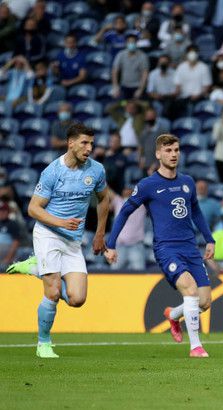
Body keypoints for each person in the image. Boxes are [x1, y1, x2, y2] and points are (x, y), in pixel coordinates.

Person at [104, 134, 216, 358]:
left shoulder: (187, 182)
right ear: (158, 154)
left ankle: (173, 315)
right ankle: (196, 347)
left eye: (176, 150)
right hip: (167, 249)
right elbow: (125, 211)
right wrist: (111, 243)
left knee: (204, 302)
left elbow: (195, 211)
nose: (173, 154)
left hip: (190, 248)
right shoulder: (148, 185)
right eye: (168, 150)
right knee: (190, 290)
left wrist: (209, 239)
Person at [6, 123, 110, 359]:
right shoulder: (52, 171)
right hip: (48, 234)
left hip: (73, 241)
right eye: (84, 143)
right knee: (52, 292)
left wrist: (99, 233)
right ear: (71, 143)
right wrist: (61, 222)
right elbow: (33, 208)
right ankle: (43, 343)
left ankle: (36, 268)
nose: (89, 148)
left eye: (91, 144)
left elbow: (104, 199)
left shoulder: (96, 170)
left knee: (77, 299)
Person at [108, 186, 146, 270]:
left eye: (130, 188)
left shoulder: (142, 204)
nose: (127, 190)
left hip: (136, 245)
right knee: (113, 274)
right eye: (125, 188)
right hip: (120, 246)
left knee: (140, 275)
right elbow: (106, 190)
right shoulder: (118, 201)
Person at [173, 45, 212, 117]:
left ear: (197, 54)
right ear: (186, 54)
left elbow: (207, 86)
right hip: (184, 97)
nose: (192, 54)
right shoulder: (181, 67)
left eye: (194, 52)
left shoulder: (204, 67)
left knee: (191, 106)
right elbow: (178, 85)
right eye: (190, 52)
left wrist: (199, 95)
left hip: (199, 97)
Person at [111, 34, 149, 100]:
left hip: (137, 86)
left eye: (133, 42)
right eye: (129, 42)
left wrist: (140, 89)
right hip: (124, 86)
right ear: (126, 43)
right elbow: (115, 71)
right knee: (122, 104)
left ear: (136, 43)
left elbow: (145, 73)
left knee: (137, 104)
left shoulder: (143, 56)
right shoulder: (121, 54)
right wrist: (115, 87)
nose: (131, 44)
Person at [139, 108, 168, 175]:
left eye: (151, 116)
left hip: (158, 166)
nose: (149, 118)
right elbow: (141, 146)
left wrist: (156, 164)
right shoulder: (143, 131)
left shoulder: (162, 131)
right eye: (148, 116)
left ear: (155, 117)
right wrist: (141, 159)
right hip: (146, 165)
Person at [146, 54, 176, 119]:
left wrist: (167, 96)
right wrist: (156, 96)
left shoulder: (175, 73)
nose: (163, 64)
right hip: (157, 98)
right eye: (161, 62)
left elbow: (176, 91)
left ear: (169, 64)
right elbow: (150, 91)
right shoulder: (153, 74)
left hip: (171, 98)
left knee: (168, 105)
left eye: (165, 63)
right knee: (158, 106)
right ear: (158, 63)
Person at [0, 201, 21, 271]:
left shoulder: (12, 224)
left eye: (4, 211)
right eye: (0, 211)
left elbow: (16, 242)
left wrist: (8, 258)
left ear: (8, 212)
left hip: (7, 256)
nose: (2, 213)